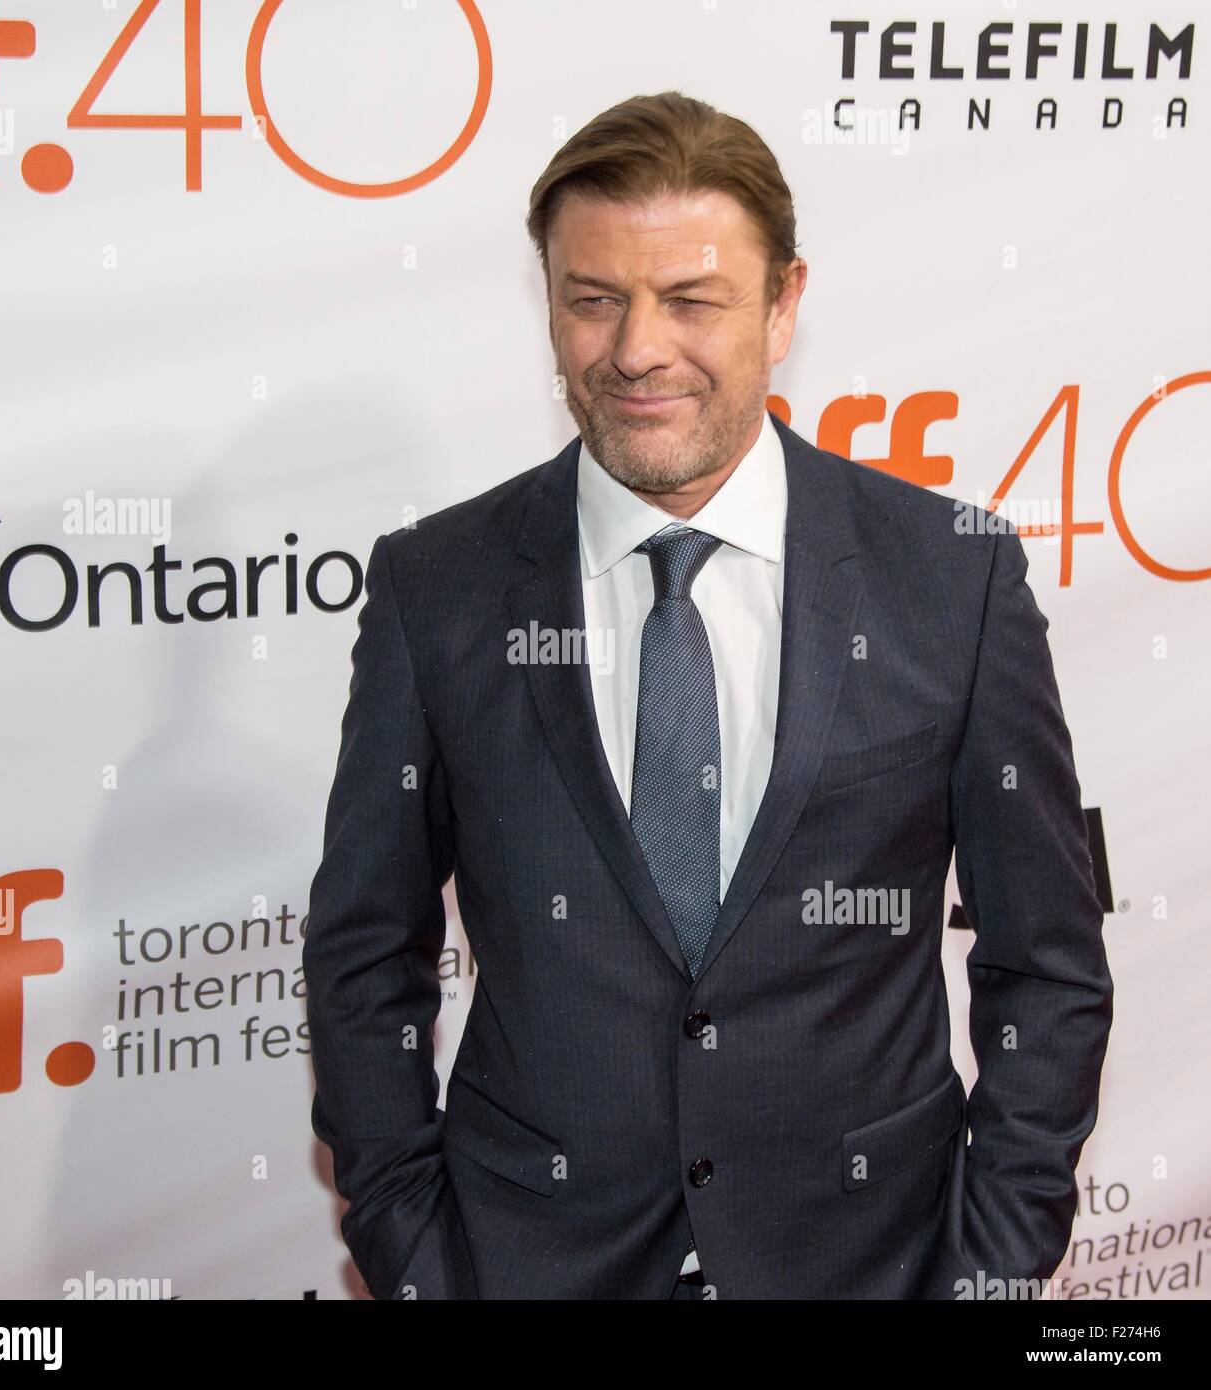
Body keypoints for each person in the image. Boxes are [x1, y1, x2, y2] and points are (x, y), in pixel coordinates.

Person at [302, 90, 1112, 1300]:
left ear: (784, 304)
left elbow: (1044, 958)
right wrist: (415, 1252)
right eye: (593, 299)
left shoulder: (951, 575)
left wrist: (991, 1266)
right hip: (531, 1263)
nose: (636, 349)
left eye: (690, 300)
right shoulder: (439, 587)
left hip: (870, 1261)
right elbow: (365, 950)